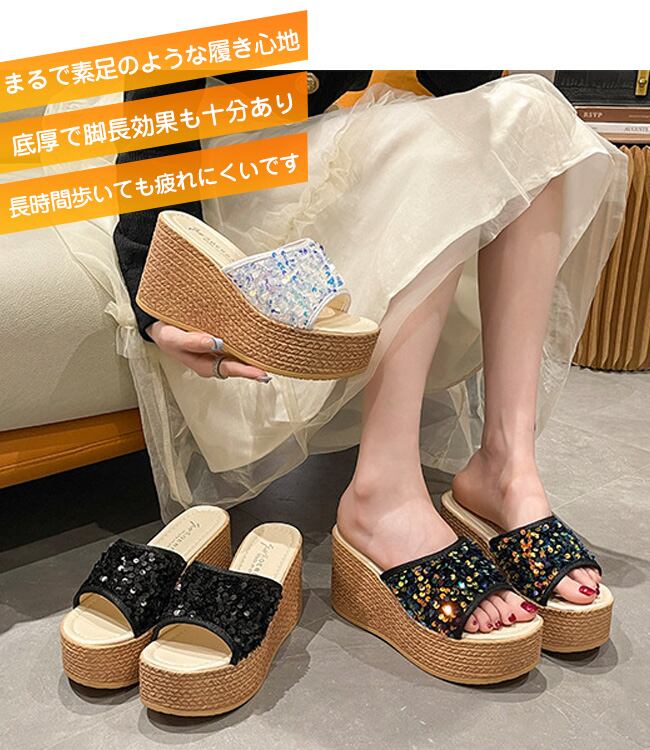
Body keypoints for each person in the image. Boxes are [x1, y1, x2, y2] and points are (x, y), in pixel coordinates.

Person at [102, 69, 627, 634]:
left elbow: (459, 81)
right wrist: (156, 287)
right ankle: (384, 492)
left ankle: (506, 463)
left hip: (351, 130)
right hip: (249, 165)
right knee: (438, 142)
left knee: (531, 110)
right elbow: (158, 76)